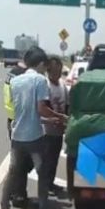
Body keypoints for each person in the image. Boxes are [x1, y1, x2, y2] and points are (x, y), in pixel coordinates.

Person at [0, 47, 67, 209]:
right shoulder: (40, 81)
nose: (46, 69)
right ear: (40, 64)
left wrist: (46, 120)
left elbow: (23, 111)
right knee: (43, 173)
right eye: (45, 65)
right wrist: (60, 117)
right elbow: (41, 109)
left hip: (16, 136)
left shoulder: (15, 81)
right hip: (34, 138)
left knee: (13, 172)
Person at [2, 55, 34, 208]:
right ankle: (17, 195)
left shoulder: (13, 72)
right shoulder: (23, 75)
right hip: (21, 121)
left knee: (21, 161)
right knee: (22, 162)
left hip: (12, 119)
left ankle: (15, 193)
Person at [42, 56, 69, 196]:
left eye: (59, 70)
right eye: (54, 70)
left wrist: (66, 121)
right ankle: (44, 186)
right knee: (46, 160)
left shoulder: (63, 85)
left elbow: (67, 106)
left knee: (54, 159)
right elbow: (44, 107)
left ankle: (50, 183)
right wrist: (57, 118)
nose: (57, 73)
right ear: (48, 70)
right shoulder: (45, 85)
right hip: (46, 130)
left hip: (58, 130)